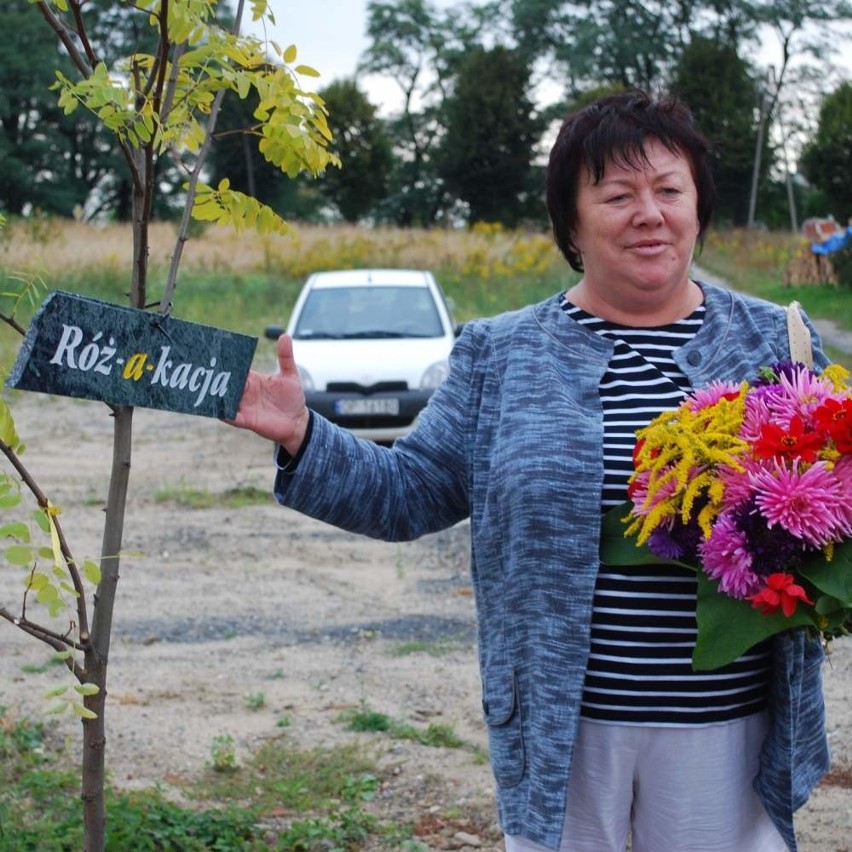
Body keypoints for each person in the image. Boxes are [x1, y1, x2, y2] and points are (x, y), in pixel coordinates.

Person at [229, 90, 830, 852]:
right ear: (572, 224)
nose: (650, 213)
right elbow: (408, 492)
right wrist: (304, 434)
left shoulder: (778, 341)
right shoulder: (502, 352)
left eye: (669, 190)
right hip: (565, 733)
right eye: (617, 195)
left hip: (730, 730)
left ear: (698, 206)